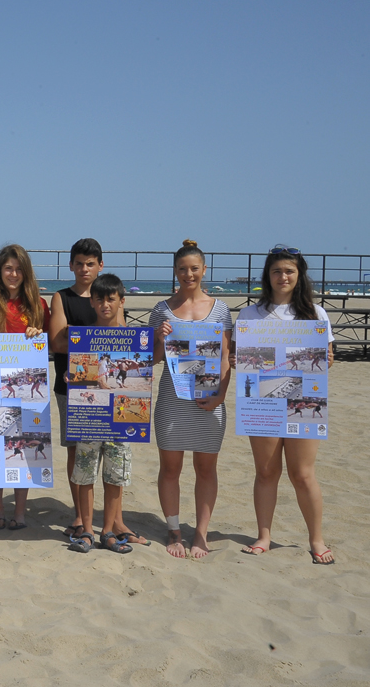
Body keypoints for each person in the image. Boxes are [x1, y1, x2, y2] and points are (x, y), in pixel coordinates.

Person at [232, 246, 336, 564]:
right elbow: (239, 358)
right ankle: (264, 536)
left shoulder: (315, 314)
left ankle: (316, 540)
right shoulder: (251, 314)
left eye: (289, 271)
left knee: (302, 474)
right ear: (268, 276)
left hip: (303, 396)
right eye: (277, 271)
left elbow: (328, 358)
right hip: (262, 398)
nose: (283, 276)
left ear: (299, 275)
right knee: (266, 471)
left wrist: (325, 358)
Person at [149, 240, 232, 559]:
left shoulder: (221, 309)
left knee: (206, 468)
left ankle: (200, 533)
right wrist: (159, 337)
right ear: (175, 271)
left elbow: (225, 357)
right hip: (173, 399)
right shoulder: (162, 309)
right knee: (170, 468)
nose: (188, 274)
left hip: (210, 401)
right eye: (182, 269)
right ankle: (173, 530)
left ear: (204, 270)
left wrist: (220, 396)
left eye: (194, 268)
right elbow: (154, 359)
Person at [0, 245, 50, 532]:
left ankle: (19, 512)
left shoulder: (38, 306)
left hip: (26, 391)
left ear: (25, 272)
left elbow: (46, 346)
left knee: (24, 445)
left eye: (18, 269)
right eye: (7, 268)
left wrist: (37, 333)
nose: (13, 274)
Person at [48, 238, 114, 540]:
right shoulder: (61, 297)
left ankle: (112, 519)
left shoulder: (109, 295)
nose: (84, 269)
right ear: (71, 265)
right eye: (79, 263)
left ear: (100, 265)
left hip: (107, 386)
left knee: (110, 450)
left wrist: (79, 336)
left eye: (90, 264)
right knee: (75, 450)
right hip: (70, 386)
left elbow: (120, 338)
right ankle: (78, 513)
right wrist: (93, 337)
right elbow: (57, 342)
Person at [68, 275, 136, 555]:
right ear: (92, 302)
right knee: (84, 475)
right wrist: (70, 375)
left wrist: (163, 337)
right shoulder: (81, 335)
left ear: (122, 301)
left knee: (115, 477)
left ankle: (107, 530)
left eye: (111, 299)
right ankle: (86, 529)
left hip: (122, 420)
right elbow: (79, 375)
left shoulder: (135, 337)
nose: (105, 304)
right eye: (100, 299)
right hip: (90, 417)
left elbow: (152, 358)